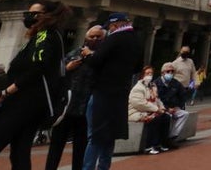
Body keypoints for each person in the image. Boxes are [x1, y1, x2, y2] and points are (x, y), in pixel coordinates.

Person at [0, 0, 73, 170]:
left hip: (23, 104)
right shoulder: (42, 37)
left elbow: (37, 69)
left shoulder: (45, 36)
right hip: (31, 106)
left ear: (47, 16)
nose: (29, 17)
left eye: (34, 13)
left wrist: (3, 94)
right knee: (19, 155)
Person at [82, 12, 142, 170]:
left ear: (115, 25)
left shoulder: (114, 38)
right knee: (110, 135)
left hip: (103, 91)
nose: (109, 29)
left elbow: (96, 61)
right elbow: (138, 67)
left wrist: (88, 55)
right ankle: (103, 167)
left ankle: (88, 168)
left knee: (95, 135)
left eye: (109, 27)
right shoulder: (136, 40)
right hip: (121, 91)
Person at [45, 25, 105, 170]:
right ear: (86, 38)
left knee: (81, 147)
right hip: (66, 107)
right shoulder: (74, 54)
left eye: (99, 37)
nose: (95, 39)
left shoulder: (101, 58)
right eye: (92, 36)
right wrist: (67, 68)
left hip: (85, 109)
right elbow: (56, 73)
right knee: (56, 146)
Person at [127, 66, 170, 155]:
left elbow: (157, 99)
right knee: (154, 119)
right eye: (147, 73)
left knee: (166, 117)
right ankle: (149, 146)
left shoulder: (152, 86)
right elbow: (140, 103)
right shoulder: (138, 88)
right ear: (142, 75)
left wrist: (162, 108)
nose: (150, 75)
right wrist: (157, 109)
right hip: (136, 112)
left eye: (151, 73)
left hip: (149, 110)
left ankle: (161, 143)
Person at [154, 62, 190, 146]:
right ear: (162, 72)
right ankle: (163, 139)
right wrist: (166, 108)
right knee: (167, 117)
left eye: (172, 71)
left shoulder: (176, 83)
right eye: (168, 71)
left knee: (184, 114)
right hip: (161, 108)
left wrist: (177, 106)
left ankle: (172, 137)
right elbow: (157, 99)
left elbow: (183, 96)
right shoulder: (156, 83)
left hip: (174, 108)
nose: (170, 73)